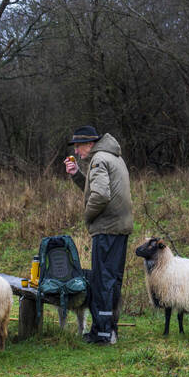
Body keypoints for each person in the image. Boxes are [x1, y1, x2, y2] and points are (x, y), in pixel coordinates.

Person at [64, 126, 133, 344]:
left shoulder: (98, 160)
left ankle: (102, 334)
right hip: (120, 228)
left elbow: (101, 195)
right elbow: (98, 188)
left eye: (79, 146)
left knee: (102, 281)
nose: (76, 151)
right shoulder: (113, 157)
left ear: (90, 144)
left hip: (106, 229)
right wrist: (77, 176)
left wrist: (88, 216)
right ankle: (110, 330)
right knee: (113, 280)